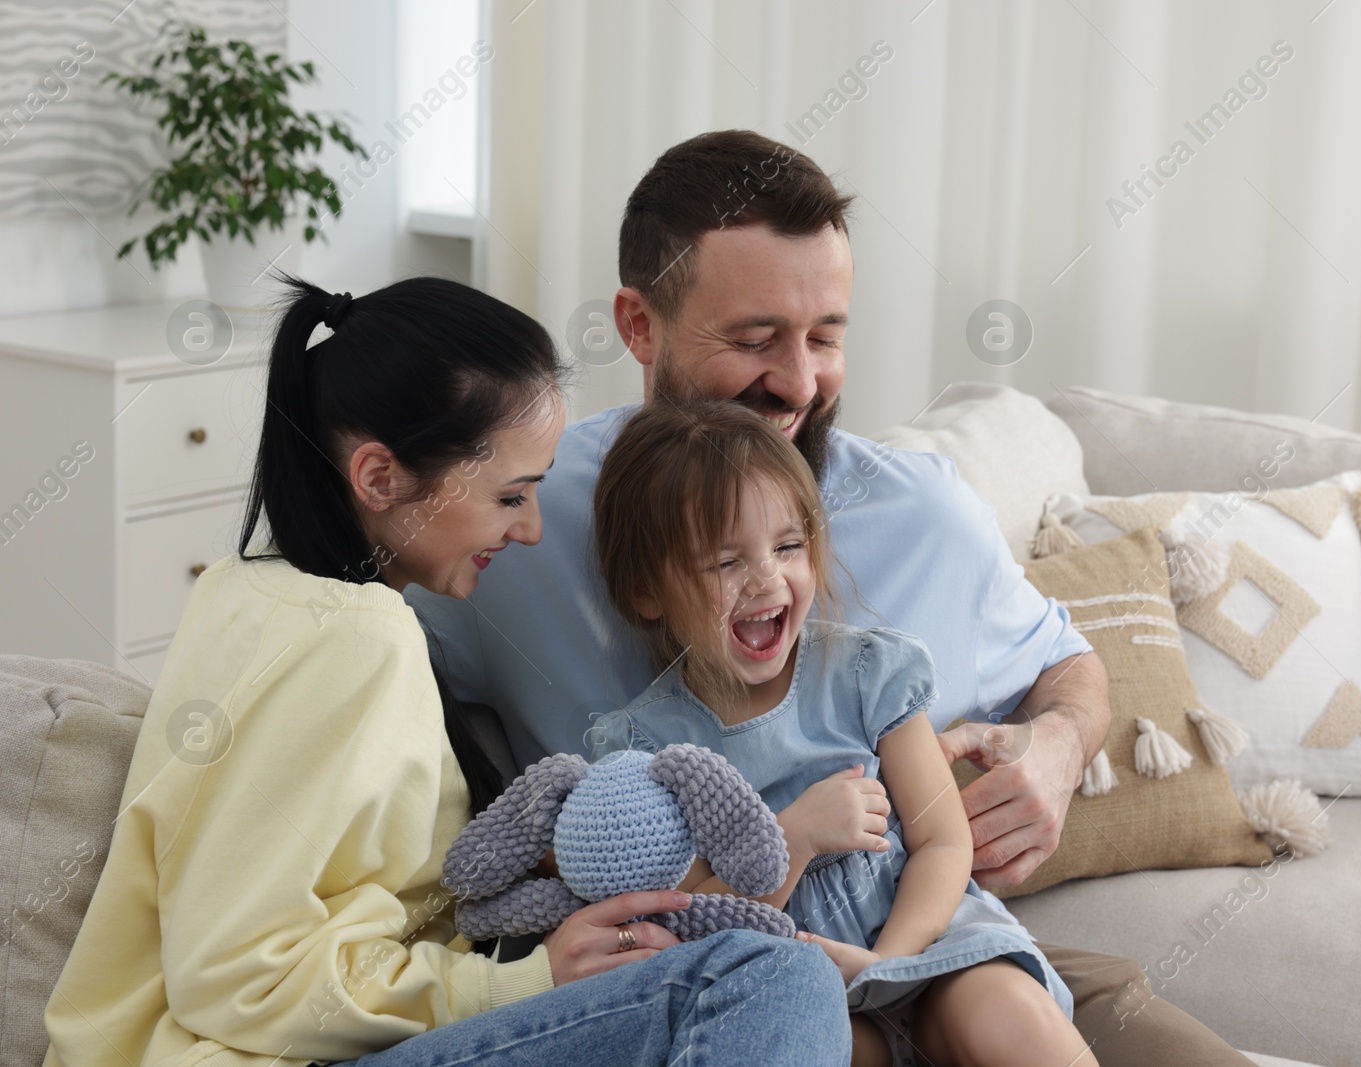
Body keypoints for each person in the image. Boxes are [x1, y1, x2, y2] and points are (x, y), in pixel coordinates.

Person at [407, 129, 1256, 1065]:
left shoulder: (921, 511)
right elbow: (360, 642)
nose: (801, 382)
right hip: (738, 974)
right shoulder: (522, 515)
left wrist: (1056, 748)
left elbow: (1068, 664)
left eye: (826, 336)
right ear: (640, 325)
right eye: (755, 338)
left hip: (946, 942)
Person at [42, 277, 849, 1067]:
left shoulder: (244, 588)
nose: (531, 529)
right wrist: (522, 981)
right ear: (380, 478)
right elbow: (233, 976)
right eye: (510, 496)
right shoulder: (354, 639)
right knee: (770, 977)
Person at [583, 398, 1099, 1067]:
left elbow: (944, 839)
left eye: (788, 546)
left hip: (924, 941)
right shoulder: (645, 750)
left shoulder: (865, 670)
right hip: (789, 976)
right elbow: (686, 916)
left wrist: (888, 962)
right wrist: (793, 837)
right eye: (724, 562)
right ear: (647, 591)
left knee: (1011, 1017)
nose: (766, 577)